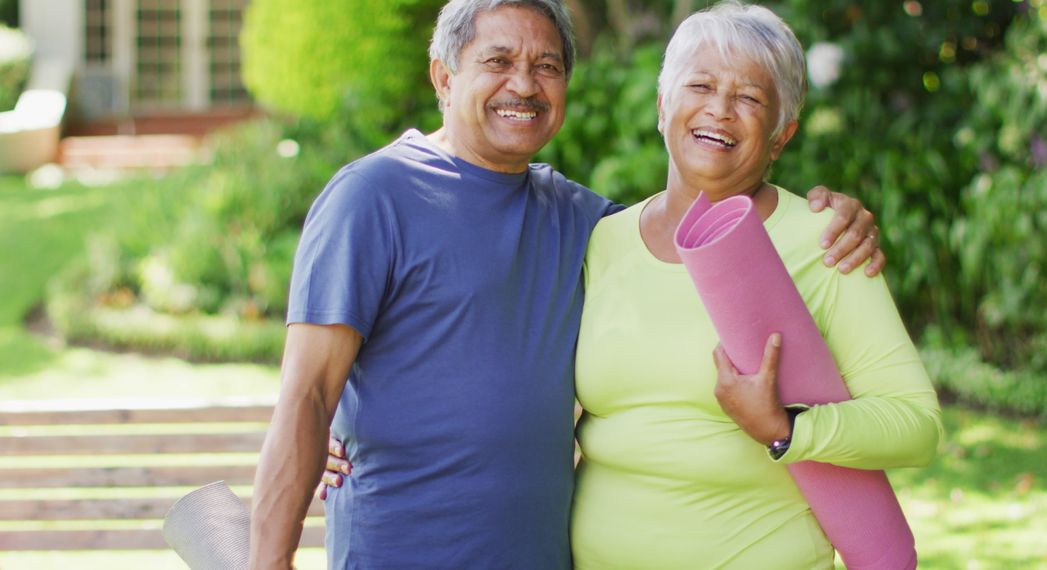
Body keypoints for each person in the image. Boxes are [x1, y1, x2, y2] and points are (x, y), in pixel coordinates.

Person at [253, 1, 886, 568]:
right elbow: (307, 395)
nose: (523, 85)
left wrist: (832, 216)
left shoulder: (586, 221)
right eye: (497, 60)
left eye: (547, 66)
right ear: (444, 77)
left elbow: (697, 229)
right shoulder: (372, 196)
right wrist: (270, 559)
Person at [571, 2, 943, 568]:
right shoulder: (603, 241)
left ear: (780, 136)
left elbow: (917, 427)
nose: (719, 109)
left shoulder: (826, 239)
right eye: (699, 85)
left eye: (749, 98)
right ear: (662, 104)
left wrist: (786, 428)